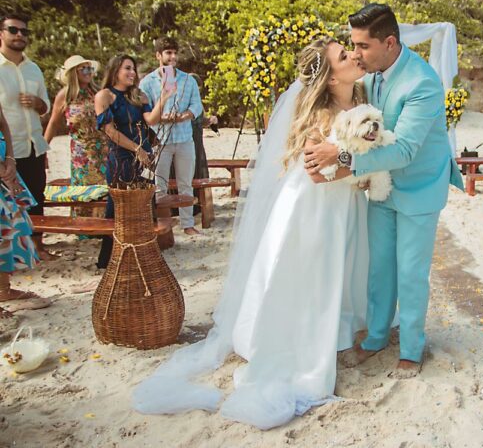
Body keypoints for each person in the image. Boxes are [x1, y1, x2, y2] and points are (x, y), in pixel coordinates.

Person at [133, 37, 370, 429]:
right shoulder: (320, 114)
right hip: (313, 205)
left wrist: (362, 168)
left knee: (341, 266)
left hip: (343, 200)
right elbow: (315, 170)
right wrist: (363, 166)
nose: (353, 56)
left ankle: (340, 328)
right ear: (328, 79)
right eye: (343, 56)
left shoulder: (360, 100)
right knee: (309, 272)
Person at [305, 4, 464, 378]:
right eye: (352, 46)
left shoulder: (423, 82)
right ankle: (376, 336)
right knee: (379, 268)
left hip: (420, 187)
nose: (356, 54)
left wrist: (339, 156)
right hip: (380, 187)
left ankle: (410, 348)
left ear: (390, 42)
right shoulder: (372, 75)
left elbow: (405, 150)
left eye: (362, 46)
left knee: (410, 271)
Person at [94, 55, 172, 269]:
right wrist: (136, 149)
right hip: (121, 157)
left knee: (144, 204)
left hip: (144, 157)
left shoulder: (139, 95)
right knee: (117, 206)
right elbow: (109, 130)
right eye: (127, 68)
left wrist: (164, 99)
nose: (132, 73)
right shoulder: (105, 96)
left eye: (133, 69)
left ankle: (143, 254)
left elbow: (151, 120)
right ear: (115, 70)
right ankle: (109, 258)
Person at [0, 14, 55, 260]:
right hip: (7, 148)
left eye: (24, 31)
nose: (20, 35)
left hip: (34, 144)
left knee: (36, 196)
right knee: (9, 204)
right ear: (1, 33)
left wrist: (37, 103)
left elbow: (47, 108)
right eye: (13, 30)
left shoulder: (34, 69)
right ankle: (12, 255)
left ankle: (38, 247)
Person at [139, 37, 203, 236]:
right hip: (160, 139)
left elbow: (197, 105)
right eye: (168, 53)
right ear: (158, 55)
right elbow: (145, 109)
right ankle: (164, 226)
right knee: (160, 185)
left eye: (175, 52)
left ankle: (188, 224)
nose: (173, 57)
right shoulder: (147, 82)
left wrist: (184, 115)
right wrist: (163, 117)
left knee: (186, 183)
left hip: (184, 137)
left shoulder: (188, 79)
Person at [0, 100, 49, 322]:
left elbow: (3, 124)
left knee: (8, 228)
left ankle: (4, 289)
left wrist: (10, 160)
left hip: (4, 165)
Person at [44, 55, 109, 216]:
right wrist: (42, 149)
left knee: (105, 189)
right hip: (81, 153)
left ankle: (105, 225)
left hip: (103, 150)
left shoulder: (97, 92)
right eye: (84, 69)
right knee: (84, 191)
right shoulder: (65, 95)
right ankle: (86, 229)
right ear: (74, 73)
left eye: (90, 68)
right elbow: (53, 123)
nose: (89, 72)